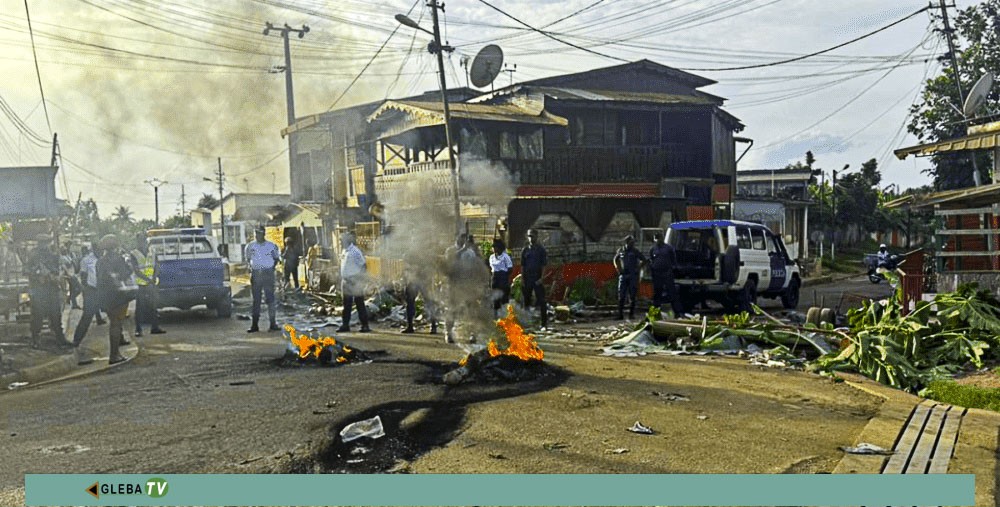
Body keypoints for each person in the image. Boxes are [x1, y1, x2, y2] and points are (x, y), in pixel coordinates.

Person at [96, 234, 134, 364]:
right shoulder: (118, 259)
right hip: (118, 295)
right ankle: (114, 355)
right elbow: (125, 273)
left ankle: (115, 353)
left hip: (105, 296)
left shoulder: (100, 261)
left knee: (113, 322)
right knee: (116, 324)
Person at [25, 234, 68, 348]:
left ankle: (60, 338)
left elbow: (60, 269)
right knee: (37, 315)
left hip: (52, 288)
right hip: (39, 289)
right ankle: (35, 338)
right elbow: (26, 270)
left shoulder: (53, 255)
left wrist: (55, 276)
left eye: (46, 242)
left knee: (55, 314)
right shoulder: (33, 255)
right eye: (42, 242)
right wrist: (37, 274)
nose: (44, 245)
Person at [244, 226, 281, 332]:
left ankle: (273, 324)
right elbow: (248, 259)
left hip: (268, 274)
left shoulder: (271, 246)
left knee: (270, 299)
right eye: (255, 233)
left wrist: (270, 269)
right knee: (256, 300)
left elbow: (276, 259)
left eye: (259, 233)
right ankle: (254, 325)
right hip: (256, 274)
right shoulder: (250, 246)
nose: (257, 235)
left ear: (263, 234)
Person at [130, 234, 165, 337]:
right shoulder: (134, 254)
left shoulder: (152, 252)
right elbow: (136, 270)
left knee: (153, 306)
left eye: (143, 240)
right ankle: (138, 329)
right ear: (137, 242)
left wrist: (153, 278)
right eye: (140, 241)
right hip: (141, 285)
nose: (142, 243)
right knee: (140, 308)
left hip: (152, 284)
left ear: (146, 241)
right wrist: (148, 280)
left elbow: (157, 266)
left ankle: (155, 327)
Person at [72, 244, 106, 348]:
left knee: (115, 316)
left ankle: (120, 339)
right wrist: (85, 290)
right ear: (94, 249)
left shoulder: (104, 259)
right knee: (87, 316)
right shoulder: (86, 260)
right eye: (99, 249)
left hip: (104, 290)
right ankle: (76, 340)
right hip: (92, 290)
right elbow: (83, 276)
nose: (101, 251)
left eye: (102, 249)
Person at [337, 233, 370, 333]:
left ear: (346, 241)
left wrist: (359, 279)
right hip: (346, 281)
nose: (340, 243)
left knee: (359, 303)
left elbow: (363, 266)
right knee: (346, 305)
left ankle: (365, 325)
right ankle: (345, 325)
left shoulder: (355, 251)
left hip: (355, 281)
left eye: (341, 241)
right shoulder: (344, 251)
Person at [614, 235, 647, 320]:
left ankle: (631, 314)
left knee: (632, 296)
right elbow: (615, 259)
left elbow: (644, 260)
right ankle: (620, 315)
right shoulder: (621, 250)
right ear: (626, 242)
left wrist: (638, 268)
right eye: (631, 242)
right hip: (623, 276)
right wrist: (618, 269)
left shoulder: (635, 251)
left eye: (633, 242)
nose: (632, 244)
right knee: (621, 296)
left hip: (633, 276)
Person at [649, 232, 682, 317]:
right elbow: (651, 260)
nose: (657, 240)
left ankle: (677, 313)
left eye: (658, 238)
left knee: (672, 293)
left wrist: (673, 270)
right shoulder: (653, 249)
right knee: (657, 294)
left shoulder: (668, 248)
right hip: (657, 274)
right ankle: (655, 313)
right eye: (655, 238)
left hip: (667, 273)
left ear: (662, 238)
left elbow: (673, 260)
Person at [520, 229, 548, 329]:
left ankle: (544, 324)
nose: (531, 238)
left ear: (537, 236)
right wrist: (522, 279)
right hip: (527, 278)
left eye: (532, 236)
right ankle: (526, 324)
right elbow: (522, 266)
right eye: (529, 236)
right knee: (526, 301)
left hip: (537, 279)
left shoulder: (541, 250)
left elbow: (544, 265)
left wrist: (542, 278)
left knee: (541, 301)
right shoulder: (525, 250)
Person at [489, 238, 513, 317]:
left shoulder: (505, 257)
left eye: (495, 247)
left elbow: (510, 269)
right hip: (494, 279)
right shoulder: (491, 257)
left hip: (503, 278)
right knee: (495, 299)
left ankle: (505, 317)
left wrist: (503, 276)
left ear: (499, 247)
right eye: (493, 247)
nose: (494, 248)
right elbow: (491, 268)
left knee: (504, 299)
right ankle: (496, 317)